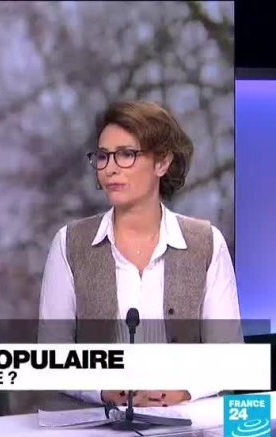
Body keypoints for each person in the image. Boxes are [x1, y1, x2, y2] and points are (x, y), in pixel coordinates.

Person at [37, 100, 241, 409]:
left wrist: (184, 389)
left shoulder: (206, 243)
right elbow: (52, 355)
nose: (110, 168)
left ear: (162, 163)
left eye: (126, 154)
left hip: (188, 426)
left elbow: (229, 355)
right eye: (103, 156)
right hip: (99, 428)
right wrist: (102, 389)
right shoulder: (70, 244)